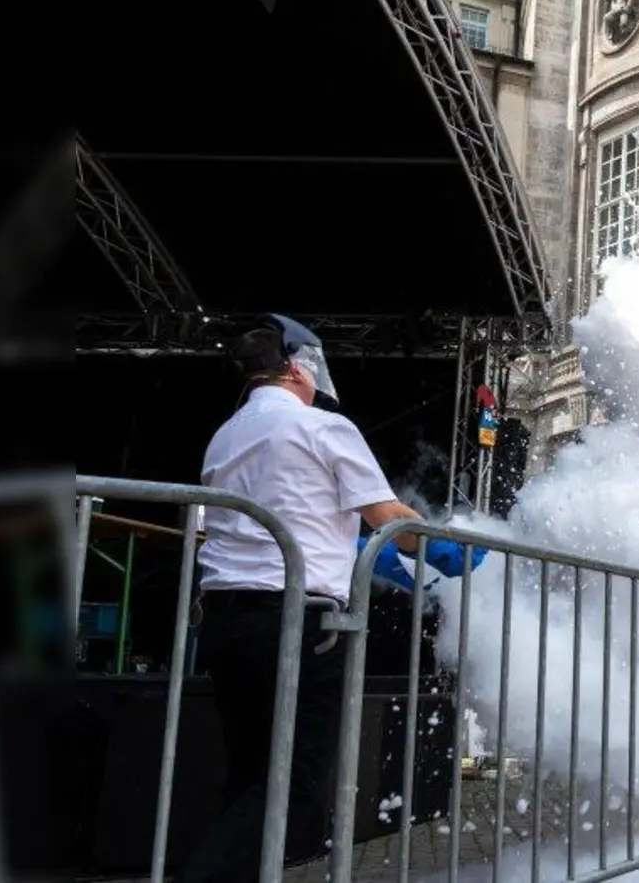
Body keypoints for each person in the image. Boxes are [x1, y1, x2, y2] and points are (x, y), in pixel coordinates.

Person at [180, 316, 481, 881]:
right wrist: (448, 544)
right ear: (298, 368)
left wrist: (359, 547)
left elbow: (295, 514)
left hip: (225, 621)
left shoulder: (226, 433)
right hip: (295, 622)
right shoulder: (323, 427)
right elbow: (393, 520)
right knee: (296, 794)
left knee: (250, 778)